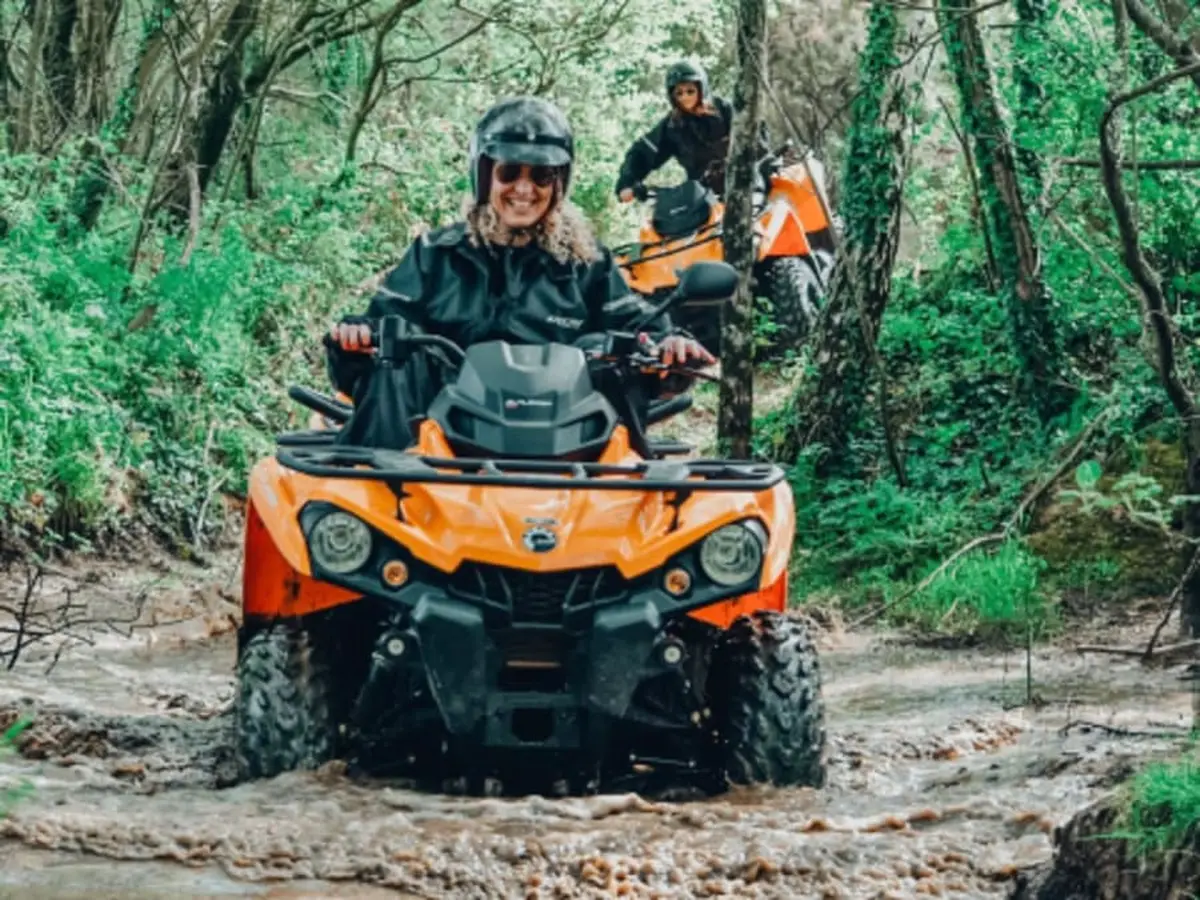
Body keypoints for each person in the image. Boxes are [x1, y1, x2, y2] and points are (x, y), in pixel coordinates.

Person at [326, 96, 714, 447]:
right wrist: (355, 337)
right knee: (398, 353)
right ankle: (374, 498)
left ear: (559, 183)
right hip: (438, 440)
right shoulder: (434, 255)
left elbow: (638, 324)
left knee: (609, 354)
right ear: (484, 174)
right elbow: (380, 327)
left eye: (541, 175)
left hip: (571, 446)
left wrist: (671, 346)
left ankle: (626, 505)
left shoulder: (587, 263)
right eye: (510, 172)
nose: (524, 189)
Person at [615, 60, 766, 202]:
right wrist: (627, 184)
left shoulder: (725, 110)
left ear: (702, 89)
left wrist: (762, 162)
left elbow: (756, 134)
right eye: (679, 93)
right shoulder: (672, 126)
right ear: (672, 96)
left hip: (748, 189)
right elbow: (643, 152)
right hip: (704, 200)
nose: (685, 97)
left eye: (690, 91)